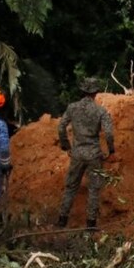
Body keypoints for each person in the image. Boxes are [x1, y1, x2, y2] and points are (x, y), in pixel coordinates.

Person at [56, 77, 116, 229]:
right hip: (94, 154)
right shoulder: (100, 111)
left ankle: (62, 219)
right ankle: (90, 224)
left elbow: (61, 127)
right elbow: (109, 133)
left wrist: (66, 146)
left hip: (77, 153)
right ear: (96, 92)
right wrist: (111, 149)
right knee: (94, 189)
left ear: (82, 91)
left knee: (71, 187)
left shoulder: (72, 108)